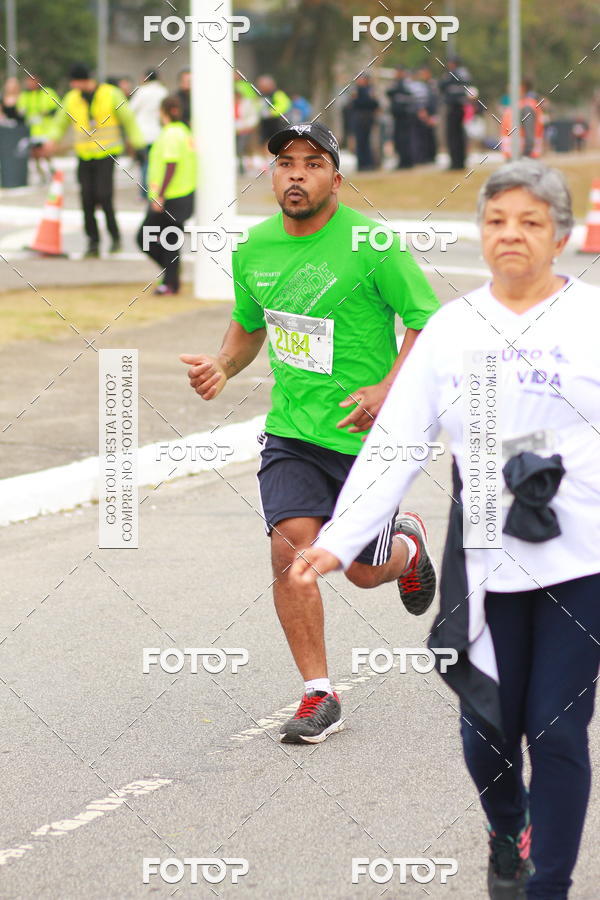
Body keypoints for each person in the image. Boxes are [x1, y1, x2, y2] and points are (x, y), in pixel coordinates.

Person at [291, 160, 600, 899]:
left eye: (530, 222)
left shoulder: (591, 322)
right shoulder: (454, 331)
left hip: (580, 556)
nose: (511, 236)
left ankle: (546, 884)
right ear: (481, 233)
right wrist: (337, 539)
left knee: (556, 730)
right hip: (484, 554)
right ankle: (506, 827)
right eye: (497, 221)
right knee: (488, 725)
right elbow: (398, 440)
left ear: (560, 234)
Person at [180, 122, 440, 744]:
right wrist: (222, 363)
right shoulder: (255, 249)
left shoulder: (372, 242)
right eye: (285, 163)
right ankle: (318, 694)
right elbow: (249, 327)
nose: (296, 173)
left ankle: (407, 548)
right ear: (272, 176)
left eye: (313, 163)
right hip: (292, 432)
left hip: (367, 438)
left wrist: (386, 390)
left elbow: (427, 322)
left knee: (361, 572)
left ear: (335, 178)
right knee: (291, 551)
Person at [43, 63, 144, 257]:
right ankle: (93, 243)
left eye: (75, 82)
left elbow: (128, 119)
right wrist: (51, 140)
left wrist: (138, 144)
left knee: (104, 196)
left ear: (83, 80)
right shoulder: (72, 99)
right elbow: (60, 122)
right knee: (87, 199)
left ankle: (115, 238)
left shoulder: (111, 94)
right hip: (84, 155)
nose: (73, 86)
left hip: (106, 153)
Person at [136, 95, 195, 295]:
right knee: (170, 240)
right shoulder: (185, 132)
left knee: (145, 237)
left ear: (163, 113)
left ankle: (171, 278)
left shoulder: (170, 134)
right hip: (184, 194)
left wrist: (160, 195)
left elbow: (171, 164)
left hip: (171, 196)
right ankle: (171, 279)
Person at [129, 69, 168, 194]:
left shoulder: (141, 91)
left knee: (145, 163)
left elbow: (130, 110)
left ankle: (144, 192)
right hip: (158, 133)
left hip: (142, 134)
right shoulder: (163, 92)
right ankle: (155, 189)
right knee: (155, 162)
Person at [439, 58, 471, 169]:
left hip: (455, 108)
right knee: (456, 136)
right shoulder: (461, 75)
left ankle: (457, 162)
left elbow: (442, 85)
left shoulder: (454, 74)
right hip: (456, 108)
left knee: (454, 136)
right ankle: (458, 161)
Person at [501, 81, 544, 160]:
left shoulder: (527, 106)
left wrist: (526, 154)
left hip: (523, 156)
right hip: (515, 155)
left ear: (522, 88)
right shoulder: (518, 104)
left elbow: (529, 132)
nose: (509, 89)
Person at [387, 67, 417, 169]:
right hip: (398, 117)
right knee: (399, 140)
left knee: (406, 140)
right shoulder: (396, 84)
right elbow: (389, 92)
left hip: (406, 117)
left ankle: (408, 162)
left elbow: (410, 99)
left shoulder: (407, 84)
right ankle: (402, 161)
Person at [349, 74, 380, 171]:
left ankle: (369, 164)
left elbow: (375, 104)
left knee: (368, 142)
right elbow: (354, 105)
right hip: (359, 119)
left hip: (368, 119)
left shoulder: (370, 90)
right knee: (360, 141)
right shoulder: (356, 91)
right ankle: (361, 164)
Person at [256, 75, 291, 148]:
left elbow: (284, 105)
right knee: (264, 141)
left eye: (262, 86)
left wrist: (271, 112)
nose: (260, 88)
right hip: (265, 123)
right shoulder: (260, 95)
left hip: (277, 122)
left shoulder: (278, 94)